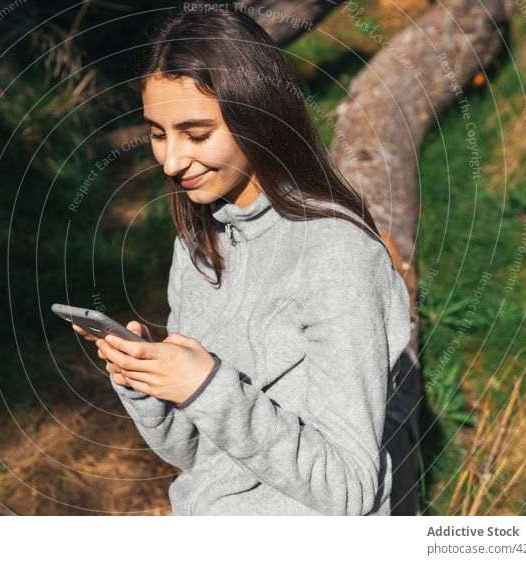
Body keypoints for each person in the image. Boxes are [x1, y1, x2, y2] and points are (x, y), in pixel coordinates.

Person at [73, 4, 418, 516]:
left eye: (195, 134)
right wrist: (146, 382)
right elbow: (196, 453)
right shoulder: (195, 249)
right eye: (158, 133)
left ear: (259, 115)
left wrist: (206, 385)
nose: (170, 160)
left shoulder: (337, 256)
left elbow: (349, 489)